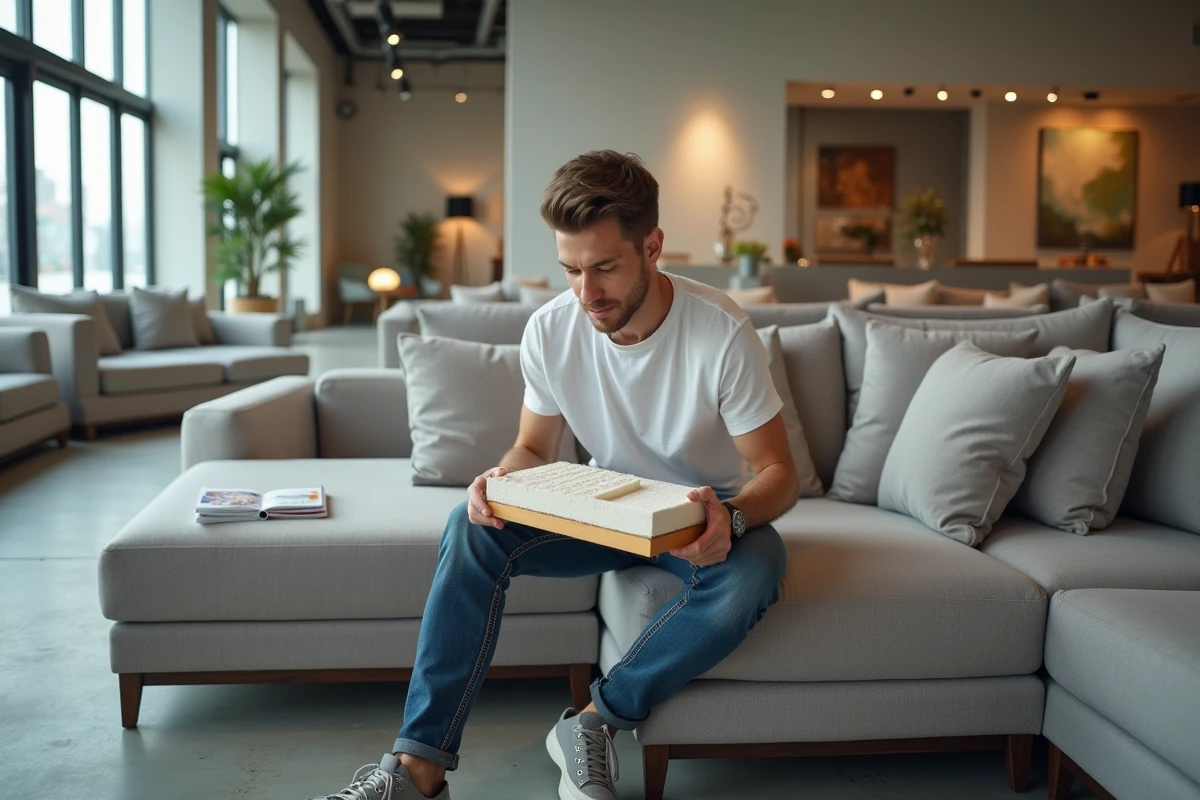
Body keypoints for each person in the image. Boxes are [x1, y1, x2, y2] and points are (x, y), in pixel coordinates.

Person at [310, 150, 797, 800]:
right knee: (470, 525)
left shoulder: (721, 332)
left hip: (694, 521)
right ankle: (417, 770)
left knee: (755, 572)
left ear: (652, 246)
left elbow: (777, 473)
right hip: (600, 512)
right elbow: (533, 448)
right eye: (570, 269)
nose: (586, 292)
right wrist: (499, 481)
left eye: (604, 267)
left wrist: (731, 518)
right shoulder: (550, 329)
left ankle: (594, 722)